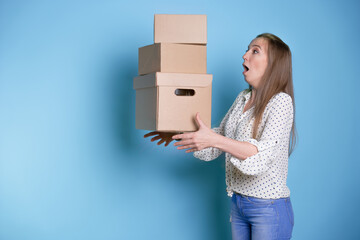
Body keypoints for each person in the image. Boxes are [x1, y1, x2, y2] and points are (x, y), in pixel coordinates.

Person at [144, 33, 296, 240]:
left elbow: (260, 156)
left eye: (255, 51)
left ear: (273, 65)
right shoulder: (243, 98)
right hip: (238, 204)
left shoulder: (281, 102)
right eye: (247, 49)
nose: (244, 56)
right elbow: (218, 138)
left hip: (268, 209)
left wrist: (215, 140)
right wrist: (176, 132)